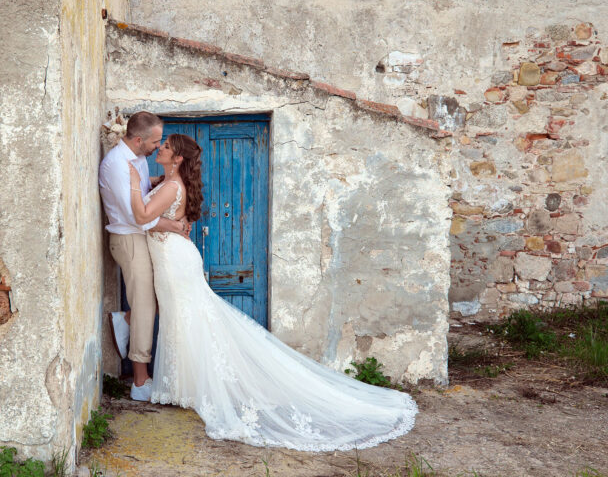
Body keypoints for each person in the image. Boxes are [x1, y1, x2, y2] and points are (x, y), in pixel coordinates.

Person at [127, 132, 417, 451]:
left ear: (178, 158)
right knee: (183, 319)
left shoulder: (171, 187)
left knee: (185, 318)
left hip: (174, 262)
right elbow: (158, 218)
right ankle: (185, 387)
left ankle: (190, 388)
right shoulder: (171, 183)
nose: (160, 149)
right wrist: (172, 221)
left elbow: (142, 217)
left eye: (166, 147)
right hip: (175, 259)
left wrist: (132, 184)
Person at [99, 111, 189, 401]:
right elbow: (139, 218)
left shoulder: (136, 157)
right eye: (156, 141)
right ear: (139, 140)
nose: (158, 146)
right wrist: (175, 225)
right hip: (129, 240)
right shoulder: (116, 164)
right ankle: (140, 381)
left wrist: (161, 179)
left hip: (143, 239)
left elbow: (140, 191)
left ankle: (126, 319)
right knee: (145, 305)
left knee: (164, 297)